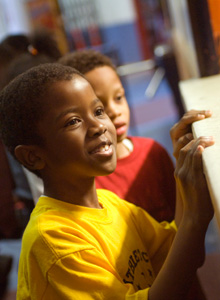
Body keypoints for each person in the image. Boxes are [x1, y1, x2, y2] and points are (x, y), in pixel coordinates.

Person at [0, 63, 214, 299]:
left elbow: (181, 250)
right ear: (33, 156)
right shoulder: (53, 241)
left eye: (98, 111)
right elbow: (187, 240)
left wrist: (183, 170)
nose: (99, 126)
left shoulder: (109, 204)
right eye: (73, 121)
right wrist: (196, 216)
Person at [58, 50, 211, 224]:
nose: (115, 111)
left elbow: (181, 222)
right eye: (99, 109)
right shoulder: (86, 185)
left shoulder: (153, 153)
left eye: (118, 97)